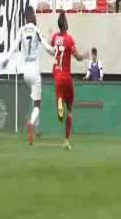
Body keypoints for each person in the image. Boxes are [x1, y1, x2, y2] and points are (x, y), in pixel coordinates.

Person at [2, 6, 55, 145]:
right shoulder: (36, 30)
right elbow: (48, 48)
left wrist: (7, 59)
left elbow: (14, 45)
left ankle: (37, 129)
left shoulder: (22, 30)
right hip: (35, 71)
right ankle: (32, 124)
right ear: (32, 15)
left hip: (25, 71)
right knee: (38, 104)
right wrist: (56, 50)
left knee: (34, 99)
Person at [51, 11, 89, 150]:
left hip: (56, 75)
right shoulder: (69, 39)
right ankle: (66, 140)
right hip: (66, 77)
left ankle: (59, 101)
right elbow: (78, 57)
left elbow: (52, 50)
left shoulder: (54, 37)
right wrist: (85, 56)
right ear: (66, 25)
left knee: (60, 104)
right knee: (70, 110)